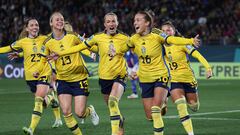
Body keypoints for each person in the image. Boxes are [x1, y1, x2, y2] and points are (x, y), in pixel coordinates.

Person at [49, 12, 129, 135]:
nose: (111, 24)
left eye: (113, 21)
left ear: (117, 23)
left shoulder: (125, 38)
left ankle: (115, 132)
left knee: (113, 102)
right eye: (108, 22)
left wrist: (135, 70)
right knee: (110, 105)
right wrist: (61, 53)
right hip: (104, 77)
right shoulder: (97, 37)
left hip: (120, 75)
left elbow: (137, 50)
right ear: (104, 24)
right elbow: (81, 47)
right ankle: (119, 120)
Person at [128, 11, 200, 135]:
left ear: (147, 23)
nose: (135, 22)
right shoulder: (134, 39)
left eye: (138, 20)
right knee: (150, 116)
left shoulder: (157, 33)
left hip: (161, 76)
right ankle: (163, 107)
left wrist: (189, 41)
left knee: (155, 110)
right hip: (145, 79)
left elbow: (171, 39)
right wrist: (136, 71)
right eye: (134, 20)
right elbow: (129, 48)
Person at [0, 18, 62, 135]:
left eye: (37, 25)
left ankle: (31, 129)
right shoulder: (22, 42)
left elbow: (55, 46)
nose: (35, 27)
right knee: (43, 102)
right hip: (30, 77)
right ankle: (52, 98)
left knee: (38, 101)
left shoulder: (45, 39)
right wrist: (19, 53)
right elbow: (8, 48)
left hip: (44, 72)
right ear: (27, 28)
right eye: (32, 25)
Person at [41, 12, 99, 135]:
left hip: (79, 78)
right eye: (57, 20)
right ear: (51, 23)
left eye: (62, 19)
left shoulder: (73, 36)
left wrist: (91, 53)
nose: (60, 21)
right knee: (66, 112)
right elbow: (44, 59)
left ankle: (90, 110)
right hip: (63, 79)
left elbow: (85, 45)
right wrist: (39, 70)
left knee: (80, 113)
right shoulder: (47, 42)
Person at [160, 21, 213, 135]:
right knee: (181, 105)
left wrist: (208, 68)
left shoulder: (182, 43)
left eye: (168, 30)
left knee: (194, 106)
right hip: (173, 80)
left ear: (174, 32)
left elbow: (197, 55)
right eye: (163, 31)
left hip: (188, 79)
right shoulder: (159, 46)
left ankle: (164, 99)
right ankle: (190, 133)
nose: (166, 32)